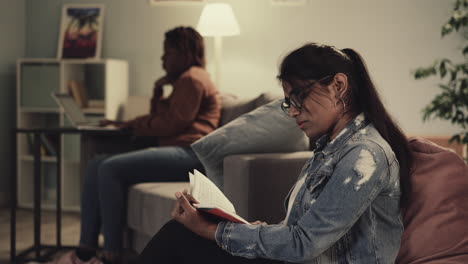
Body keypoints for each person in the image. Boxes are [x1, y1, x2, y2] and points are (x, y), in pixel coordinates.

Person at [136, 43, 413, 264]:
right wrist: (246, 227)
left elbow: (304, 243)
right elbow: (302, 234)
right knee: (182, 236)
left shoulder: (365, 155)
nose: (292, 111)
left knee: (181, 238)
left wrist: (213, 230)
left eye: (298, 97)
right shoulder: (331, 148)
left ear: (338, 86)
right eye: (287, 103)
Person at [56, 26, 221, 264]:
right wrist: (155, 93)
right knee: (96, 163)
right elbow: (163, 119)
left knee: (109, 168)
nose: (162, 59)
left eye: (168, 53)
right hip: (177, 150)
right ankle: (85, 249)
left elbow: (169, 125)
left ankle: (111, 253)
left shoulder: (192, 79)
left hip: (190, 154)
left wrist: (129, 125)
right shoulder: (185, 80)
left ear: (185, 53)